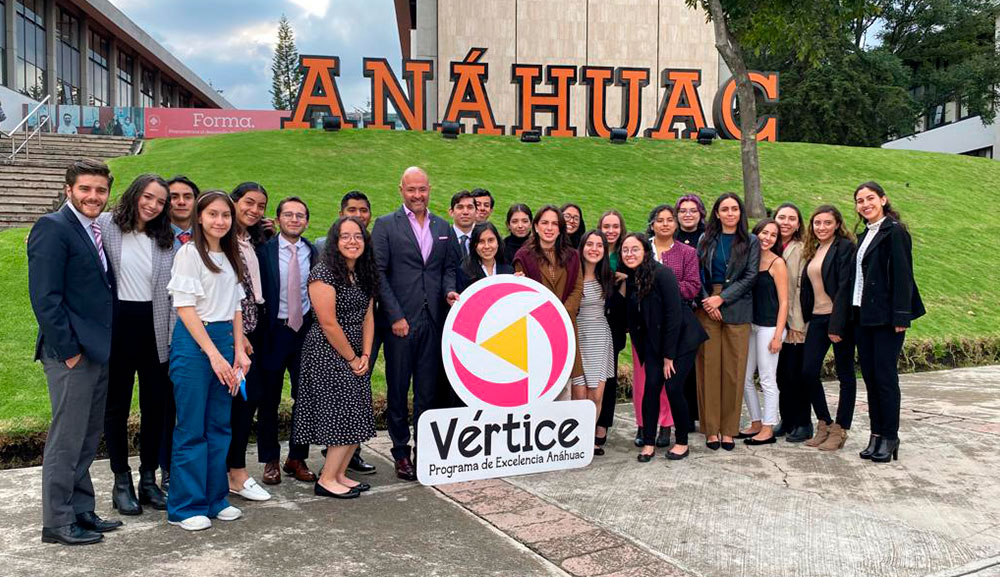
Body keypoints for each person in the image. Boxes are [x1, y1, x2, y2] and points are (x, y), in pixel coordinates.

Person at [29, 159, 122, 545]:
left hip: (97, 351)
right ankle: (57, 521)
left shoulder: (93, 229)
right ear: (69, 190)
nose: (93, 196)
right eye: (85, 189)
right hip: (70, 354)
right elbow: (45, 297)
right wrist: (68, 350)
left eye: (100, 190)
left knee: (87, 434)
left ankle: (82, 509)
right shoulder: (53, 228)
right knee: (67, 438)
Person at [166, 191, 249, 531]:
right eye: (213, 214)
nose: (219, 221)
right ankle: (186, 506)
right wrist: (214, 355)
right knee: (192, 428)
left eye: (225, 215)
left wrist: (239, 350)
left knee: (220, 425)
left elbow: (236, 306)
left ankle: (216, 499)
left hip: (225, 342)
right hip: (195, 344)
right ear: (200, 218)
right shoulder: (189, 254)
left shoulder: (230, 255)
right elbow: (185, 307)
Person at [372, 167, 459, 481]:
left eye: (422, 189)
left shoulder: (442, 226)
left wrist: (449, 290)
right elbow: (378, 274)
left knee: (427, 391)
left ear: (429, 189)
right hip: (400, 323)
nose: (418, 195)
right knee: (397, 389)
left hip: (433, 320)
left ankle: (426, 449)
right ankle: (400, 451)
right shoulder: (384, 226)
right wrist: (395, 316)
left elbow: (448, 267)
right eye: (411, 190)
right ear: (401, 190)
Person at [98, 174, 174, 516]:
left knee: (155, 408)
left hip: (155, 327)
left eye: (160, 201)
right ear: (134, 194)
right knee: (115, 406)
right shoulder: (106, 225)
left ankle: (148, 479)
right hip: (117, 326)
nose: (153, 205)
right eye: (148, 197)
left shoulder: (165, 239)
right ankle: (121, 481)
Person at [293, 217, 379, 497]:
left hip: (356, 351)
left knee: (358, 413)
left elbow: (368, 316)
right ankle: (326, 479)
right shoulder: (323, 273)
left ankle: (340, 474)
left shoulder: (364, 272)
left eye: (358, 236)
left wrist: (366, 353)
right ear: (335, 241)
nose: (352, 241)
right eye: (345, 236)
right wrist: (352, 358)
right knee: (342, 415)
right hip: (328, 351)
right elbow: (328, 322)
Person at [851, 182, 924, 462]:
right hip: (863, 317)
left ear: (883, 199)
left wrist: (901, 316)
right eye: (860, 200)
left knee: (885, 378)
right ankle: (876, 435)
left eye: (870, 198)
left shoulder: (895, 231)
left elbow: (904, 275)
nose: (865, 204)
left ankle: (890, 436)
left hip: (887, 319)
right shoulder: (863, 235)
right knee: (870, 378)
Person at [620, 233, 708, 462]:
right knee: (651, 387)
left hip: (682, 339)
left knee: (673, 387)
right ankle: (649, 443)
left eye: (635, 249)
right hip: (654, 342)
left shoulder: (663, 274)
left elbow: (673, 315)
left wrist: (668, 356)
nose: (629, 254)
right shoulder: (632, 278)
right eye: (625, 250)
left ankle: (681, 442)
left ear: (646, 252)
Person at [254, 196, 319, 490]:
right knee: (269, 398)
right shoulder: (262, 252)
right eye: (289, 215)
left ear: (307, 221)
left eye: (300, 215)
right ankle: (270, 459)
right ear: (278, 219)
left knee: (305, 397)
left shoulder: (313, 252)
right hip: (273, 332)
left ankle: (297, 457)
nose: (295, 220)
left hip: (304, 331)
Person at [696, 193, 759, 451]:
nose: (730, 213)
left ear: (740, 213)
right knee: (709, 369)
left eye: (734, 209)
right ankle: (711, 430)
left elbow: (751, 275)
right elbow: (697, 274)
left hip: (737, 307)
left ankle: (729, 430)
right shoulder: (705, 239)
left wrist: (721, 299)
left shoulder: (751, 241)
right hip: (707, 307)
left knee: (733, 372)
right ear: (717, 213)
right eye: (725, 209)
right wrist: (707, 300)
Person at [634, 204, 701, 446]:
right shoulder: (640, 248)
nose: (664, 224)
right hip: (648, 329)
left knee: (672, 385)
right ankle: (645, 429)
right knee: (648, 383)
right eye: (659, 220)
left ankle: (671, 431)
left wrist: (665, 289)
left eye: (669, 219)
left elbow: (693, 286)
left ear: (675, 224)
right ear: (651, 224)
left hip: (679, 327)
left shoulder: (687, 252)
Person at [797, 205, 856, 450]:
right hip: (818, 319)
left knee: (845, 375)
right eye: (817, 223)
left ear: (837, 224)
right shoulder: (814, 249)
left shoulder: (844, 247)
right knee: (808, 372)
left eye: (827, 223)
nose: (821, 227)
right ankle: (824, 422)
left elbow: (844, 286)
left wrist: (837, 324)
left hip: (839, 319)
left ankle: (841, 429)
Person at [513, 205, 585, 398]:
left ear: (561, 228)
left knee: (563, 391)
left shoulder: (572, 256)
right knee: (535, 389)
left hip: (565, 329)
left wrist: (559, 315)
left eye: (554, 223)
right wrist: (546, 318)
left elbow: (578, 289)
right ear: (536, 226)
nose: (549, 227)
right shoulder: (523, 257)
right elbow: (523, 295)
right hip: (535, 332)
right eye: (544, 222)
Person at [739, 219, 789, 445]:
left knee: (767, 379)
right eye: (764, 233)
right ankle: (756, 421)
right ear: (755, 234)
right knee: (744, 377)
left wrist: (778, 335)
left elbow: (784, 301)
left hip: (770, 327)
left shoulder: (777, 263)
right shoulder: (750, 260)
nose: (767, 238)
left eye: (773, 235)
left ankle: (768, 428)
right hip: (751, 325)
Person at [574, 230, 616, 455]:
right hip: (578, 335)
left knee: (596, 395)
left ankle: (589, 439)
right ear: (582, 247)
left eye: (599, 245)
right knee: (579, 395)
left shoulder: (609, 276)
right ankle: (576, 441)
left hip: (600, 335)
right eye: (589, 244)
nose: (594, 249)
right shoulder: (573, 275)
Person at [773, 203, 808, 440]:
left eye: (791, 219)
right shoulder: (767, 244)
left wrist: (795, 323)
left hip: (794, 321)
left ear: (798, 224)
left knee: (796, 374)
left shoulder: (801, 248)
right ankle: (786, 420)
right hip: (772, 321)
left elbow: (799, 288)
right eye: (781, 217)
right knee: (781, 375)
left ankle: (803, 423)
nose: (786, 222)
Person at [595, 210, 628, 446]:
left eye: (615, 226)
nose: (610, 231)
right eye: (606, 226)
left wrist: (622, 280)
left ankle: (602, 425)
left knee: (609, 373)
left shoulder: (625, 253)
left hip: (615, 320)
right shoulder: (594, 250)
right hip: (592, 320)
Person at [457, 222, 513, 291]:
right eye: (481, 241)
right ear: (474, 245)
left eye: (491, 240)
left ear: (498, 242)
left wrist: (518, 280)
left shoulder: (508, 271)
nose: (487, 246)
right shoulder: (465, 271)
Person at [167, 176, 200, 249]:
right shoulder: (152, 237)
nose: (181, 202)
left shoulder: (207, 235)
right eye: (174, 197)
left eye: (187, 197)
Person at [449, 190, 477, 259]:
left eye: (470, 207)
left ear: (476, 212)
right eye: (460, 207)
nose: (465, 212)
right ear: (451, 212)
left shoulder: (482, 238)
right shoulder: (442, 238)